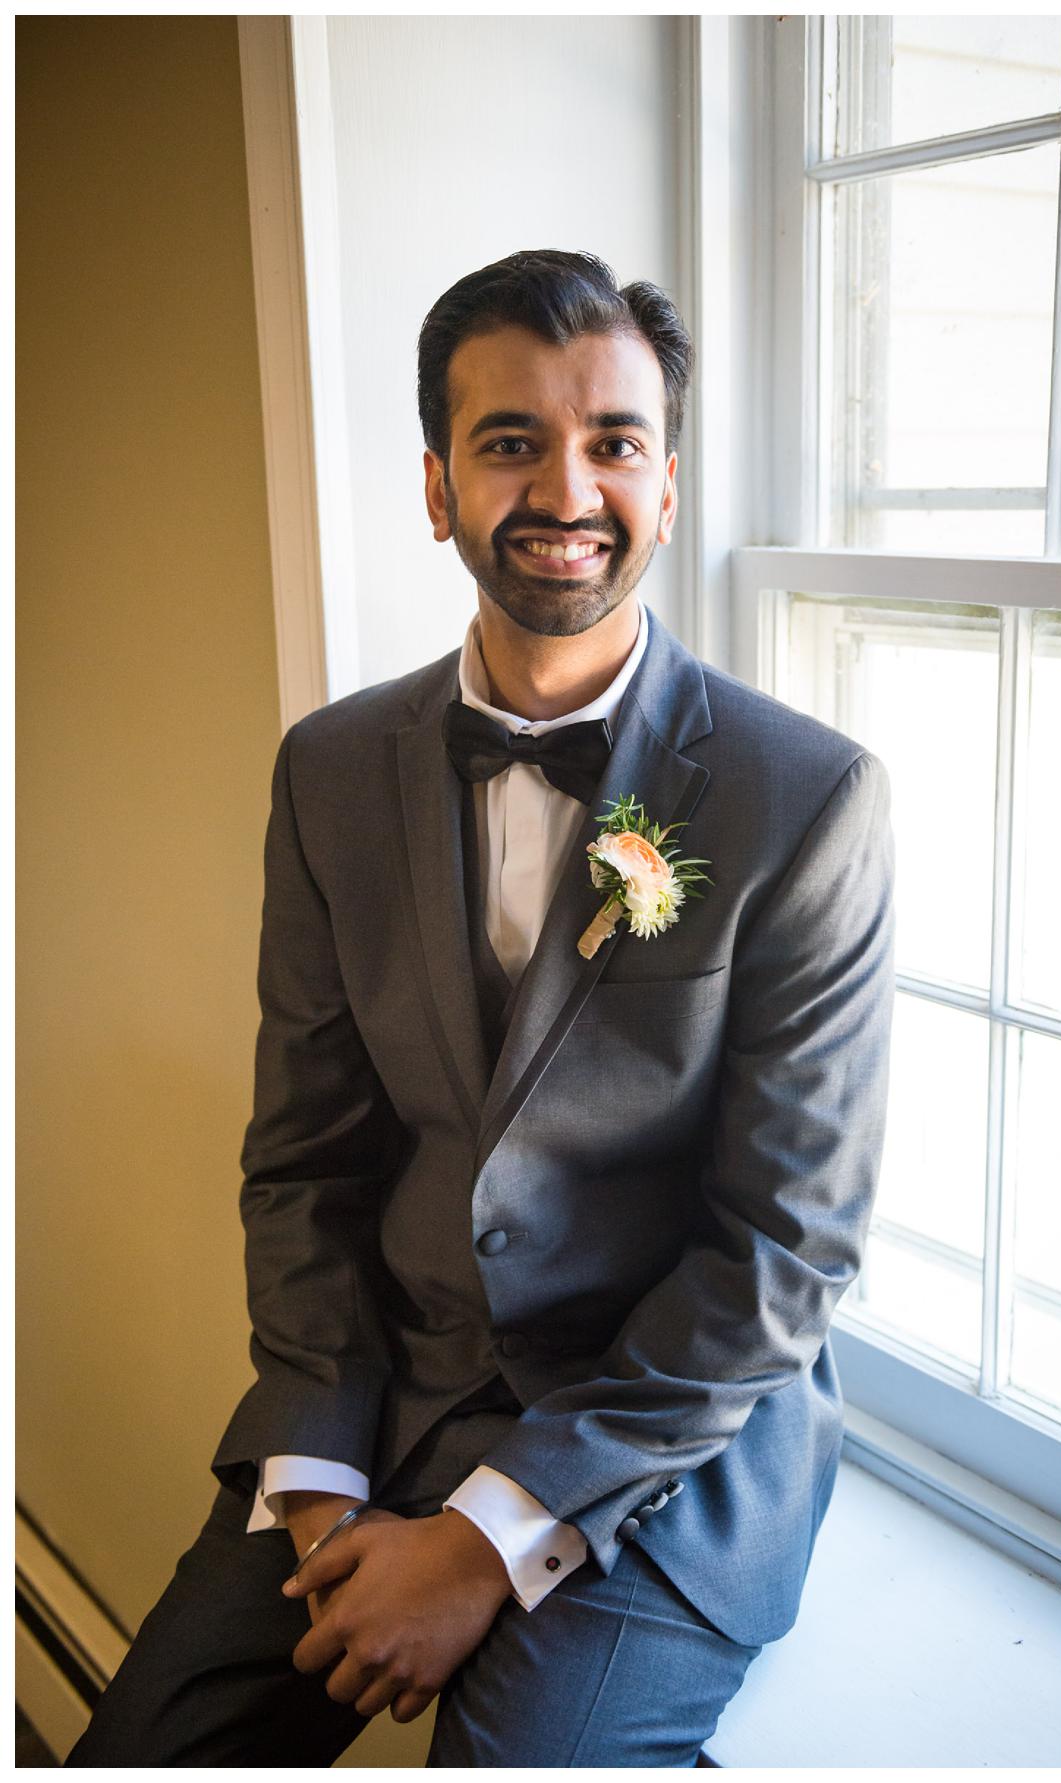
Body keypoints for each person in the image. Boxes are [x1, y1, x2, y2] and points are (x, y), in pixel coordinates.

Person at [70, 249, 895, 1766]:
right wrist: (321, 1481)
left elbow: (789, 1247)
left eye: (614, 443)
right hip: (383, 1399)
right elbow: (306, 1160)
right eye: (511, 442)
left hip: (668, 1450)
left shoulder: (809, 798)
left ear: (665, 478)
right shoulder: (329, 769)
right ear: (441, 486)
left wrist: (483, 1542)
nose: (567, 489)